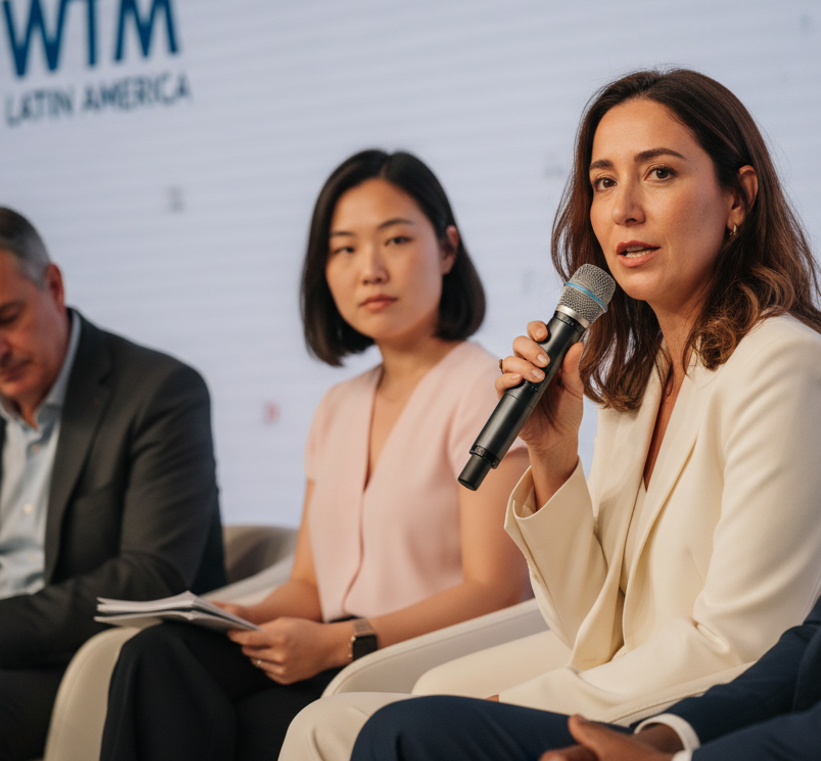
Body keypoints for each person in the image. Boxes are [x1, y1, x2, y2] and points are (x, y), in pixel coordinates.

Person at [351, 0, 821, 761]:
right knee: (399, 721)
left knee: (404, 731)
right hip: (752, 716)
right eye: (603, 181)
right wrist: (669, 737)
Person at [285, 70, 821, 760]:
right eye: (602, 182)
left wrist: (518, 704)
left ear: (737, 198)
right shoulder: (637, 379)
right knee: (321, 725)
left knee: (405, 729)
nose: (623, 209)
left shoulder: (785, 366)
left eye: (658, 174)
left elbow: (740, 646)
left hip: (707, 714)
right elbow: (591, 625)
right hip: (628, 680)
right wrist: (554, 459)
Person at [98, 149, 531, 761]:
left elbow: (494, 591)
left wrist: (338, 643)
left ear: (447, 250)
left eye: (396, 240)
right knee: (158, 656)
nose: (370, 270)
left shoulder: (487, 388)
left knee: (253, 724)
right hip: (331, 649)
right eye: (345, 249)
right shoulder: (338, 405)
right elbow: (308, 583)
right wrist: (240, 616)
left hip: (423, 660)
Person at [0, 206, 226, 761]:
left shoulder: (160, 393)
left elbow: (152, 576)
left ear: (53, 285)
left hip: (87, 654)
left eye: (6, 318)